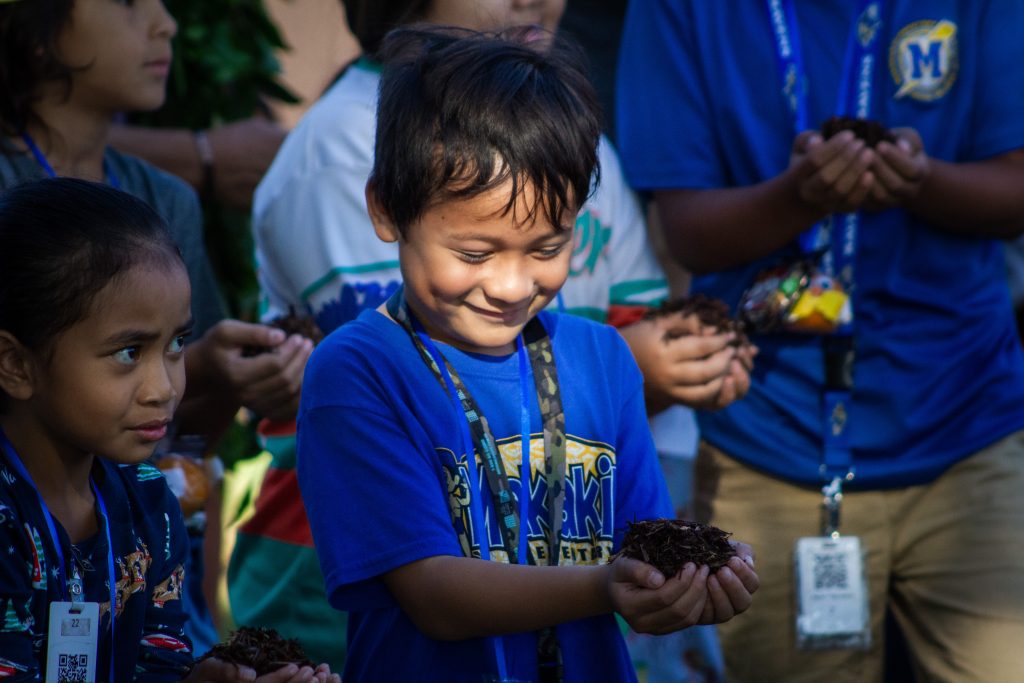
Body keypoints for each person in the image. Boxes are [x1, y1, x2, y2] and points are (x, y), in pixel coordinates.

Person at [238, 0, 753, 672]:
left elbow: (645, 546)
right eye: (476, 252)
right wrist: (604, 585)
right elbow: (433, 594)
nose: (512, 285)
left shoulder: (604, 360)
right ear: (387, 210)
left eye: (548, 246)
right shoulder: (358, 372)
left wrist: (696, 575)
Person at [616, 2, 1024, 682]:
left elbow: (1015, 185)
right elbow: (684, 225)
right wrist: (798, 196)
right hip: (769, 443)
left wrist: (922, 181)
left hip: (970, 433)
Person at [0, 177, 338, 682]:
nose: (164, 388)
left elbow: (157, 666)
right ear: (16, 365)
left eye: (177, 343)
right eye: (128, 352)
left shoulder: (148, 505)